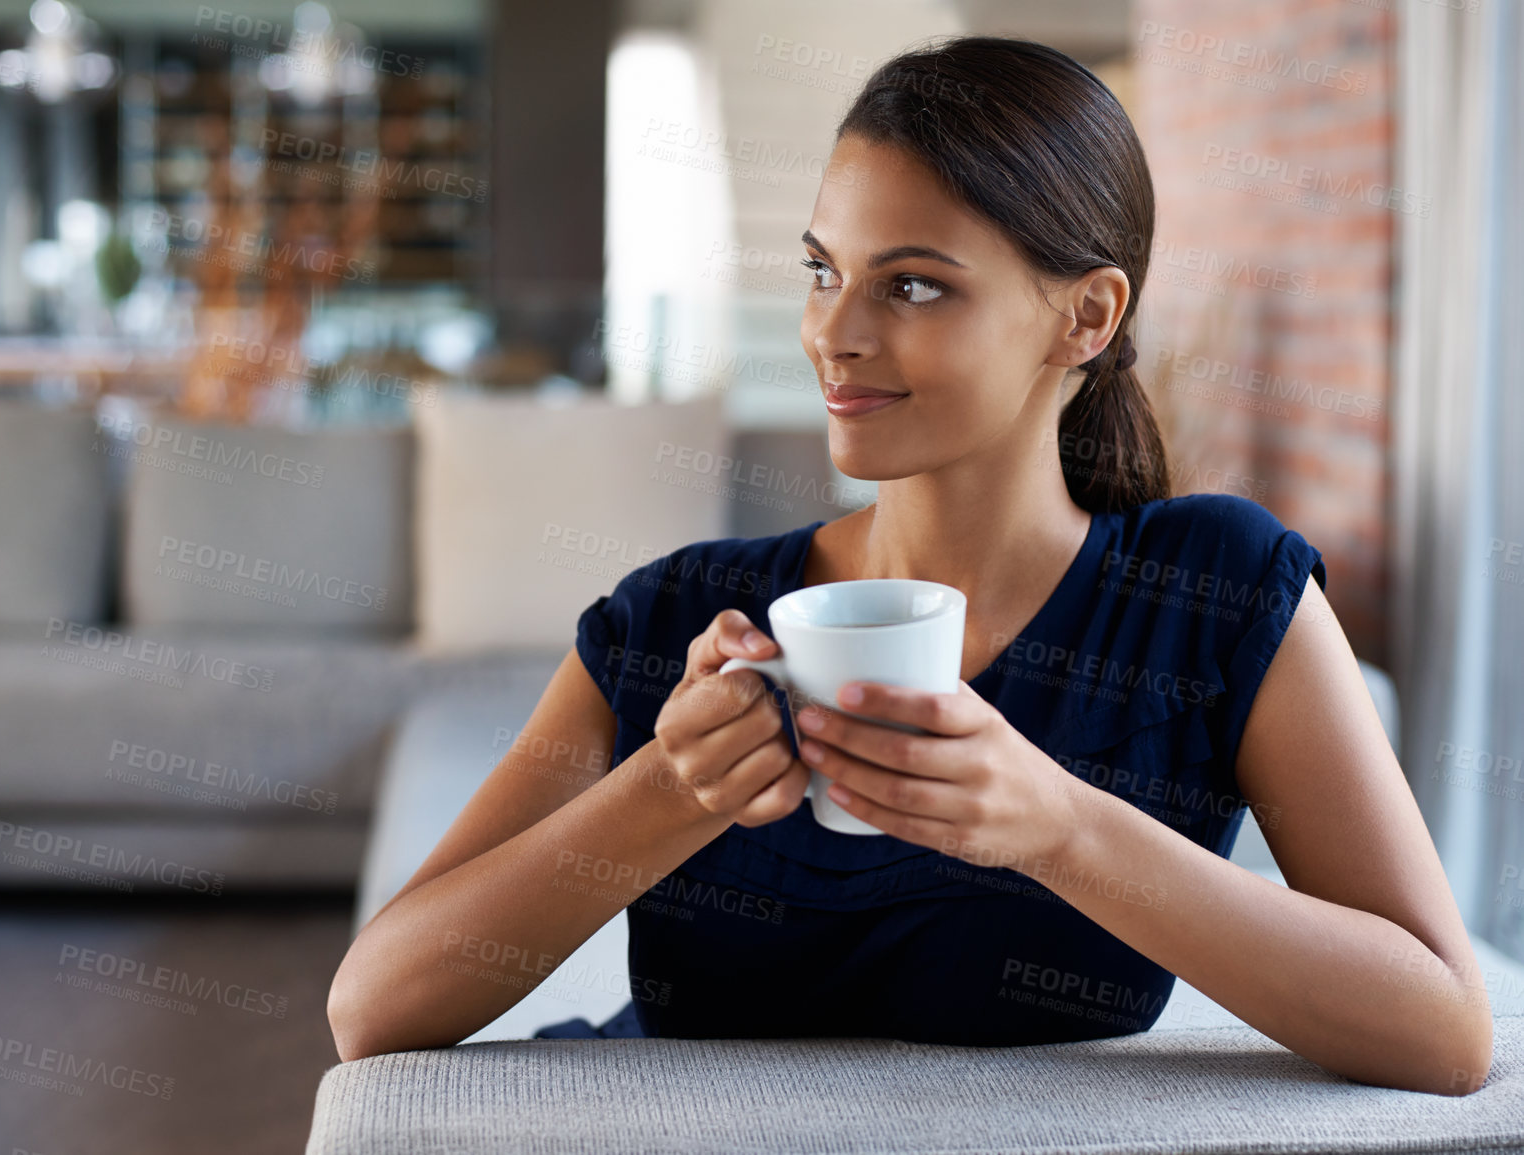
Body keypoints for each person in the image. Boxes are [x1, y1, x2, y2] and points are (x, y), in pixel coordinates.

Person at [327, 35, 1492, 1094]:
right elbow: (372, 1010)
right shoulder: (681, 618)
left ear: (1085, 317)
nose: (835, 330)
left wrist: (1062, 830)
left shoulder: (1218, 594)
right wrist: (670, 794)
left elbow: (1441, 1028)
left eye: (914, 285)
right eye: (824, 270)